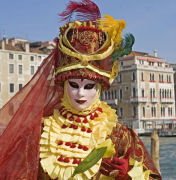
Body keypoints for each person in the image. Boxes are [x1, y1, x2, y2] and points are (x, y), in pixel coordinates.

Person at [0, 0, 162, 179]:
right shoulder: (42, 132)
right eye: (74, 85)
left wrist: (129, 175)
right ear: (63, 83)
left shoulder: (119, 135)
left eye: (89, 86)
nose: (80, 94)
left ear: (100, 87)